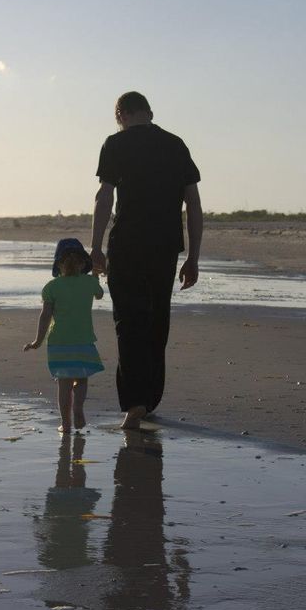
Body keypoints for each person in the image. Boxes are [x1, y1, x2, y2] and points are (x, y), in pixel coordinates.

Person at [90, 91, 203, 430]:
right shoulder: (176, 144)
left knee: (129, 321)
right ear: (149, 112)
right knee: (156, 320)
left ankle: (136, 402)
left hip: (126, 245)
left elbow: (104, 196)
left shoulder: (115, 144)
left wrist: (95, 247)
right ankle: (149, 399)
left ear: (120, 114)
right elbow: (193, 204)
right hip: (165, 247)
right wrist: (194, 256)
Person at [24, 238, 104, 433]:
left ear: (58, 264)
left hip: (59, 343)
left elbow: (45, 316)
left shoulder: (52, 287)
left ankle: (66, 423)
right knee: (82, 378)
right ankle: (78, 408)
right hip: (83, 341)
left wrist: (37, 341)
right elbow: (100, 295)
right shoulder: (89, 283)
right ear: (83, 262)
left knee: (64, 383)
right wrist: (95, 275)